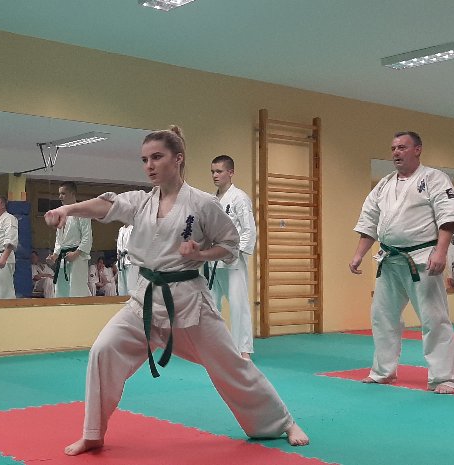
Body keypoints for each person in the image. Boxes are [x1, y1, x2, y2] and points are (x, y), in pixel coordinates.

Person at [45, 125, 308, 456]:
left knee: (231, 365)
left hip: (188, 302)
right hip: (144, 299)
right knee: (103, 350)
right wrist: (67, 210)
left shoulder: (203, 203)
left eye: (157, 157)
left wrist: (201, 253)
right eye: (144, 160)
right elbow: (105, 205)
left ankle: (282, 422)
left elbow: (229, 245)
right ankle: (93, 433)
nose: (149, 165)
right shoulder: (141, 202)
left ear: (178, 158)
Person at [349, 131, 454, 394]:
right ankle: (383, 371)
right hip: (390, 260)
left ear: (417, 150)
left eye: (402, 147)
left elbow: (447, 218)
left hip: (423, 259)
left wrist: (441, 252)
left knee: (434, 319)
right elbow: (370, 220)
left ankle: (444, 378)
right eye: (393, 148)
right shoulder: (384, 184)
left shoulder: (434, 178)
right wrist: (359, 254)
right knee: (382, 317)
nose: (396, 153)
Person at [206, 154, 257, 359]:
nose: (215, 175)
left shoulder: (239, 198)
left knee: (238, 305)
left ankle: (243, 350)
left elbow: (249, 230)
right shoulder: (211, 200)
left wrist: (233, 253)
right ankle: (215, 346)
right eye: (212, 172)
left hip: (233, 261)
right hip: (212, 261)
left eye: (219, 171)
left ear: (231, 172)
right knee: (211, 305)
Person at [47, 181, 93, 297]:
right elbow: (59, 239)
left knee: (77, 290)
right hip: (63, 257)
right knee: (61, 290)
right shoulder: (60, 213)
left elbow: (87, 237)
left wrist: (76, 254)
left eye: (63, 193)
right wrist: (54, 256)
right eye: (59, 194)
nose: (60, 197)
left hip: (78, 257)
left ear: (72, 193)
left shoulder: (82, 211)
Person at [115, 223, 135, 296]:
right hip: (121, 261)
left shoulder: (133, 228)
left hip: (130, 261)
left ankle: (132, 300)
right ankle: (123, 300)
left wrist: (126, 251)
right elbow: (119, 246)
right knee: (121, 287)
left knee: (131, 285)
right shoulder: (121, 229)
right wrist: (119, 256)